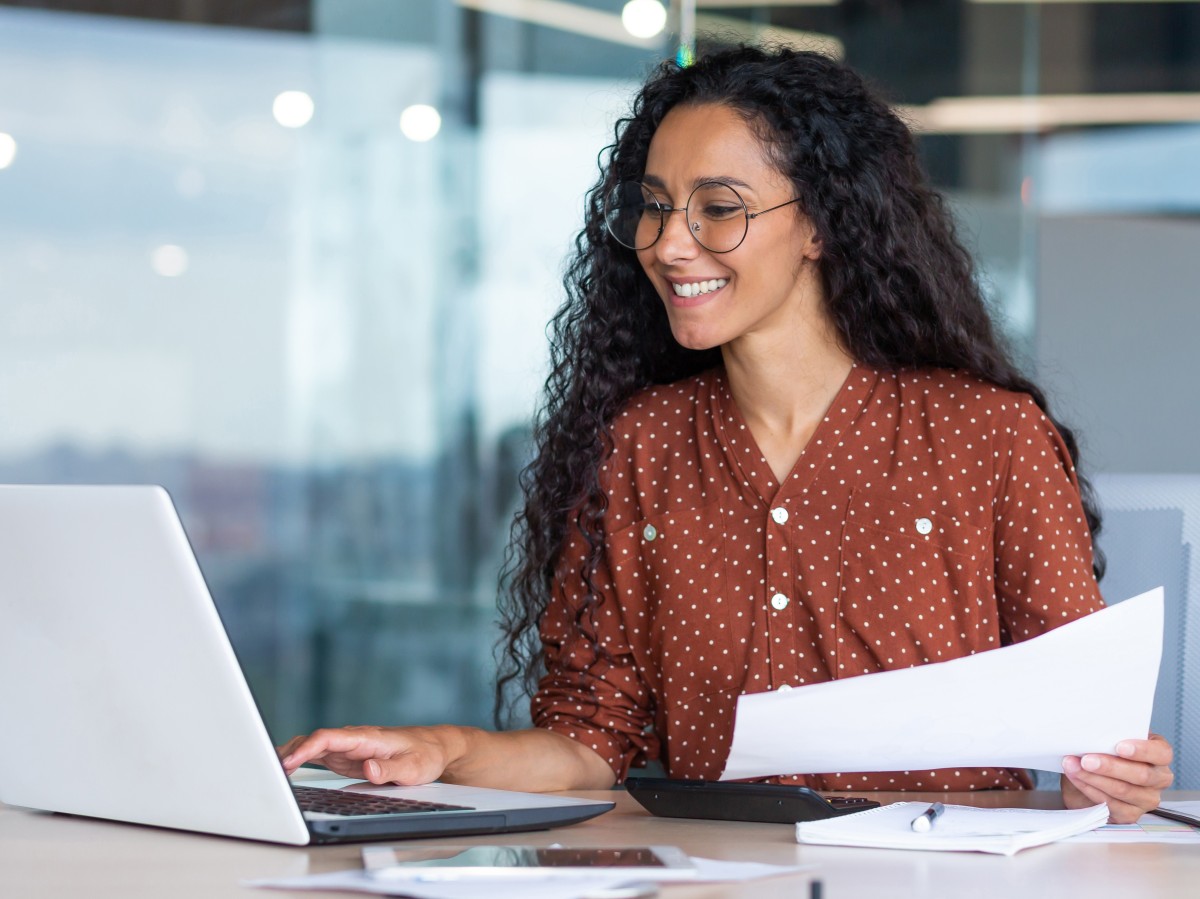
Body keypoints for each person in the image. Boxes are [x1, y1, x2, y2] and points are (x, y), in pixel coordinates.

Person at [280, 46, 1173, 823]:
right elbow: (592, 740)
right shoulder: (640, 445)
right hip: (715, 874)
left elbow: (1085, 730)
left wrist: (1111, 779)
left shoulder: (990, 437)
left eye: (719, 207)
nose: (672, 244)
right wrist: (442, 750)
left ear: (820, 223)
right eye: (657, 206)